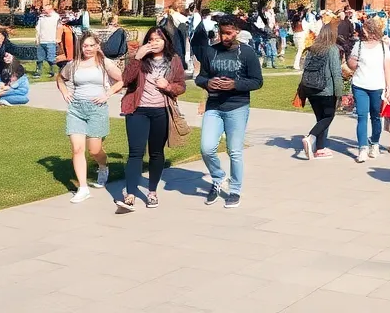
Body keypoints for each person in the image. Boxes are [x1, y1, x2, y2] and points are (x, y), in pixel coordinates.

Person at [195, 15, 262, 207]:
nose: (225, 37)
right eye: (221, 33)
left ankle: (235, 190)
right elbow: (200, 78)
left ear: (237, 32)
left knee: (235, 151)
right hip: (214, 106)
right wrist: (208, 83)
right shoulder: (211, 51)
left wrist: (235, 84)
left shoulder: (247, 53)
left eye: (229, 33)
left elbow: (257, 81)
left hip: (237, 106)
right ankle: (218, 177)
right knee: (206, 148)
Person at [117, 27, 186, 211]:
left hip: (161, 111)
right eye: (151, 39)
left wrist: (169, 86)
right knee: (135, 153)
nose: (154, 43)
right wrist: (137, 57)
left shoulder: (174, 60)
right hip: (137, 110)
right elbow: (126, 79)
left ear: (166, 42)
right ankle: (130, 194)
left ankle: (152, 192)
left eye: (158, 39)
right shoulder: (139, 59)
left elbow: (181, 86)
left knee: (156, 153)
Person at [56, 32, 123, 203]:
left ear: (97, 46)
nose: (88, 49)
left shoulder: (104, 63)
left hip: (97, 109)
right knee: (78, 149)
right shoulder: (74, 64)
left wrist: (107, 94)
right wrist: (65, 92)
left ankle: (102, 166)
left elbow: (122, 80)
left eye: (91, 45)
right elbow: (60, 78)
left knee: (94, 150)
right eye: (85, 46)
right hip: (76, 109)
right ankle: (83, 188)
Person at [349, 20, 390, 163]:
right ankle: (362, 148)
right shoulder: (358, 45)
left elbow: (387, 67)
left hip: (377, 86)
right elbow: (351, 62)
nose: (363, 32)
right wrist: (352, 62)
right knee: (362, 116)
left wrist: (388, 88)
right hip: (360, 84)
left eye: (365, 29)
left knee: (376, 116)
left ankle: (374, 143)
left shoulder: (383, 47)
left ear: (371, 30)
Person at [300, 22, 344, 160]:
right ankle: (311, 137)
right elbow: (336, 73)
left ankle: (320, 148)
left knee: (320, 119)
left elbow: (305, 68)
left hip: (311, 88)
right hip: (327, 89)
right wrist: (339, 94)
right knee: (328, 117)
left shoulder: (312, 48)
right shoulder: (332, 49)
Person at [34, 5, 61, 79]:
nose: (44, 11)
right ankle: (38, 72)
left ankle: (53, 71)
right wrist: (37, 39)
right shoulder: (41, 18)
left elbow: (59, 29)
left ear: (50, 10)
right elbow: (38, 29)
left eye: (45, 10)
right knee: (39, 58)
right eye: (43, 10)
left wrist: (58, 38)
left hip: (51, 41)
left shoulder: (56, 17)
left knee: (51, 58)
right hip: (41, 41)